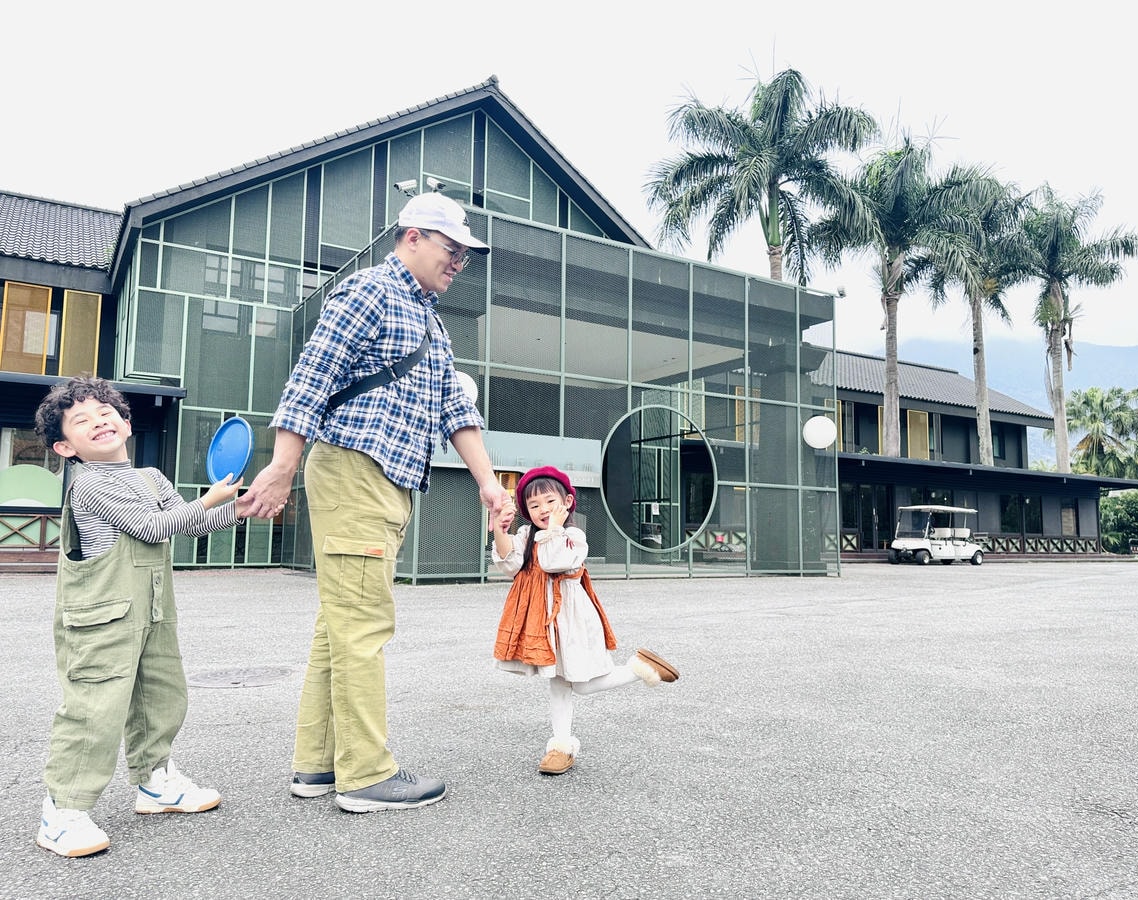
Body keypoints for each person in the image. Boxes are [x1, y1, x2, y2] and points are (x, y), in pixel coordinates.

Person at [241, 191, 508, 813]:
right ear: (412, 236)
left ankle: (317, 767)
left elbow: (456, 409)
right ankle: (365, 775)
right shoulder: (369, 292)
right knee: (363, 624)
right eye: (452, 249)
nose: (459, 263)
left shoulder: (429, 319)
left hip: (385, 481)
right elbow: (310, 381)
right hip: (355, 471)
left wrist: (490, 484)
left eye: (466, 255)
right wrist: (281, 469)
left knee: (338, 628)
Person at [32, 376, 250, 858]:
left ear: (126, 423)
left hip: (152, 610)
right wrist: (212, 499)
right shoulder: (88, 484)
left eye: (106, 413)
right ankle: (62, 810)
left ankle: (156, 783)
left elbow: (189, 522)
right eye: (81, 420)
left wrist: (240, 508)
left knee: (161, 695)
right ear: (66, 447)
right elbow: (152, 527)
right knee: (93, 710)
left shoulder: (152, 478)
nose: (99, 422)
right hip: (100, 618)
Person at [491, 465, 680, 775]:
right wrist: (500, 528)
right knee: (558, 682)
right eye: (534, 505)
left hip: (572, 620)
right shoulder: (526, 535)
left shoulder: (573, 536)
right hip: (543, 621)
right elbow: (509, 565)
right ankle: (561, 745)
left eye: (549, 502)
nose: (542, 510)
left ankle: (639, 668)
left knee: (581, 685)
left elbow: (553, 563)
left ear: (567, 502)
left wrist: (553, 528)